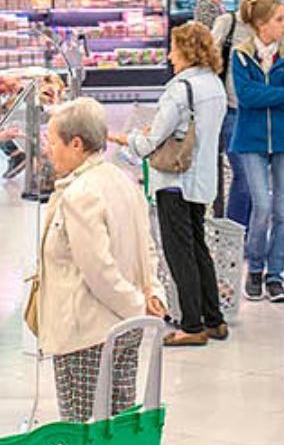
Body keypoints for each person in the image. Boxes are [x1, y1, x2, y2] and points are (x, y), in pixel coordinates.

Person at [35, 98, 166, 422]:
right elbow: (146, 247)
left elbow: (98, 271)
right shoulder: (122, 179)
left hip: (87, 335)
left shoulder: (81, 194)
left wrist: (137, 305)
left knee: (84, 432)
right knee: (117, 429)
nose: (49, 151)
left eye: (53, 142)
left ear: (76, 143)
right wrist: (151, 297)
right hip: (125, 329)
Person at [112, 22, 228, 346]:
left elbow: (152, 141)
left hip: (175, 179)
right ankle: (213, 319)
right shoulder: (214, 84)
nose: (169, 55)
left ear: (187, 51)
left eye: (174, 48)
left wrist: (125, 138)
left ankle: (192, 326)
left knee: (179, 253)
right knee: (198, 247)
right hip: (202, 177)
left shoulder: (180, 89)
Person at [230, 0, 284, 304]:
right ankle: (254, 268)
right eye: (279, 19)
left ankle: (276, 276)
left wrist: (275, 94)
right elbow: (246, 97)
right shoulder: (240, 55)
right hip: (251, 139)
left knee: (281, 210)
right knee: (261, 206)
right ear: (261, 24)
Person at [211, 0, 281, 226]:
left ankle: (250, 234)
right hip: (233, 113)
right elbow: (207, 59)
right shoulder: (228, 23)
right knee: (246, 176)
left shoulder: (278, 26)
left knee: (260, 178)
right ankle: (234, 235)